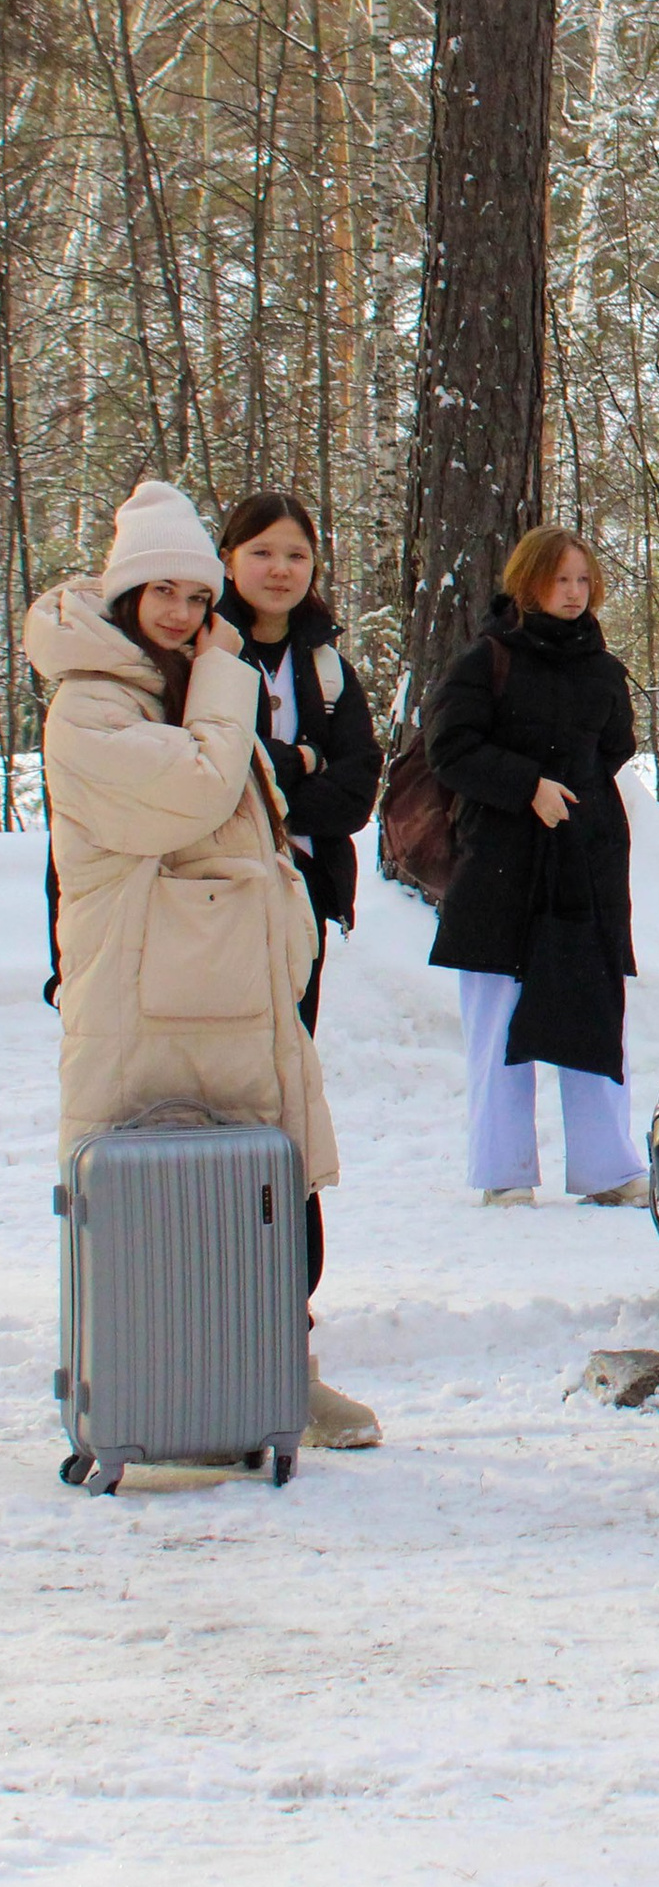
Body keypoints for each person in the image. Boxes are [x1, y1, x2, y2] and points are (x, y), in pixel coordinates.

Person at [27, 479, 377, 1451]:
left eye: (194, 597)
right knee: (153, 1191)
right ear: (125, 596)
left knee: (256, 1182)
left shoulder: (170, 687)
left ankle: (269, 1374)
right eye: (164, 593)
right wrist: (230, 684)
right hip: (147, 986)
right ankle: (151, 1388)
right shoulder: (92, 706)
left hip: (219, 983)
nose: (183, 613)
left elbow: (322, 792)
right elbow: (200, 788)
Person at [426, 526, 649, 1209]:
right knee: (496, 1017)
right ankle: (504, 1170)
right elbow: (449, 748)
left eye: (583, 580)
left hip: (584, 862)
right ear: (528, 582)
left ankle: (609, 1169)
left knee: (593, 1007)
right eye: (560, 580)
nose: (574, 593)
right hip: (499, 864)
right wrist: (528, 785)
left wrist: (577, 799)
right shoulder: (486, 659)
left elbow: (616, 745)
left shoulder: (603, 668)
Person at [215, 493, 385, 1036]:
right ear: (228, 560)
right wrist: (301, 762)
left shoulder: (328, 668)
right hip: (211, 889)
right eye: (262, 553)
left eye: (297, 556)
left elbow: (355, 794)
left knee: (291, 1046)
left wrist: (262, 790)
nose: (281, 570)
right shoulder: (200, 657)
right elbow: (204, 779)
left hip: (302, 886)